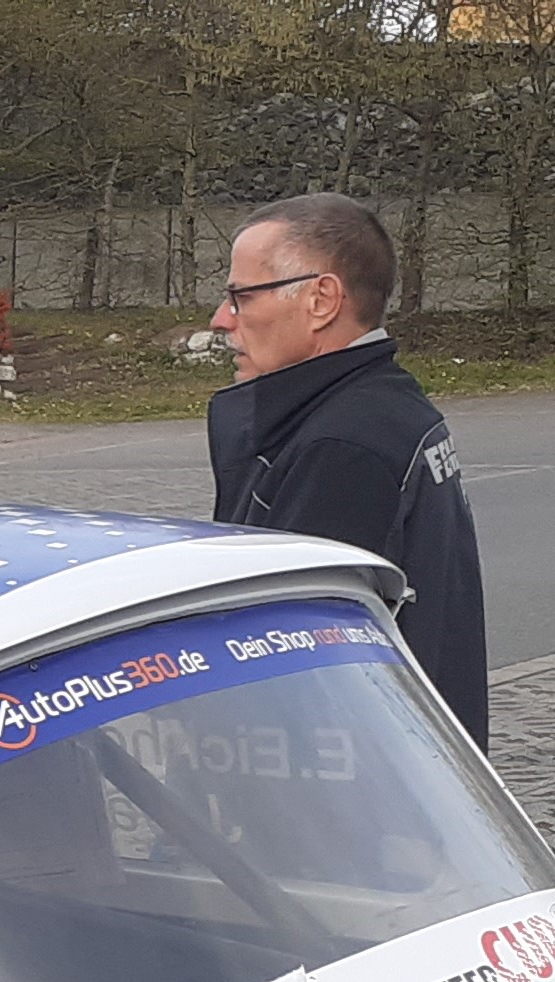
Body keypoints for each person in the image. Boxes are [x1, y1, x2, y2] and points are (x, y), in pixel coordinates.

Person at [208, 192, 488, 745]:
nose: (221, 320)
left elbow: (289, 662)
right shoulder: (388, 406)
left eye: (241, 297)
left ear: (321, 299)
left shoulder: (342, 445)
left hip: (357, 771)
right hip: (416, 755)